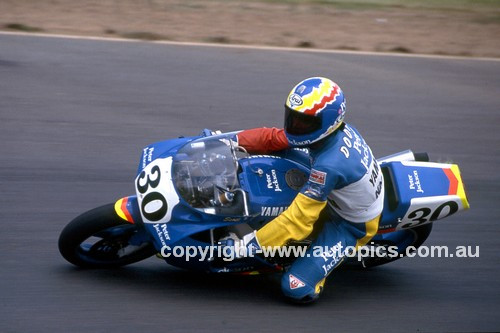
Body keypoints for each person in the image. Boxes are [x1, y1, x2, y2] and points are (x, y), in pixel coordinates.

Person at [225, 77, 385, 303]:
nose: (294, 126)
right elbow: (271, 138)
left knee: (295, 288)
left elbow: (297, 222)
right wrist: (227, 141)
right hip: (336, 184)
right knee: (274, 148)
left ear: (328, 121)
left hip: (350, 224)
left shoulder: (329, 166)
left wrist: (248, 245)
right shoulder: (330, 132)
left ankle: (311, 273)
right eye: (292, 117)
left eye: (303, 122)